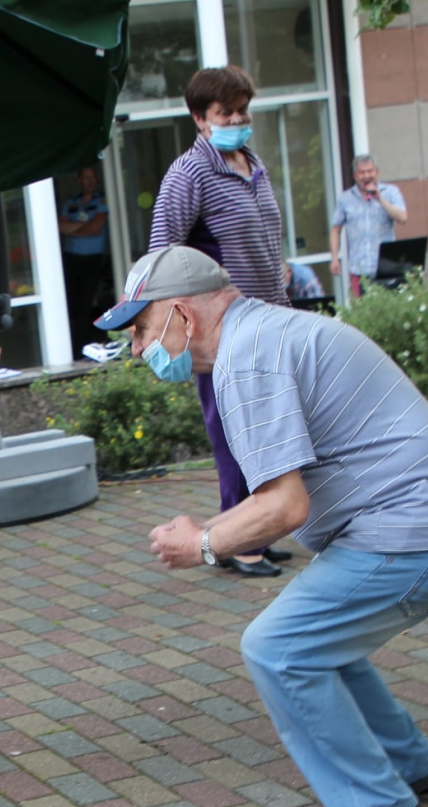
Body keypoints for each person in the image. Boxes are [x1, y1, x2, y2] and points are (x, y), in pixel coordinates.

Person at [99, 246, 428, 807]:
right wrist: (211, 529)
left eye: (141, 329)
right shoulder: (263, 334)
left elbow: (285, 508)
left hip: (422, 530)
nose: (136, 349)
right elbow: (279, 500)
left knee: (278, 648)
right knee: (318, 640)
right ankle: (415, 770)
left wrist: (201, 545)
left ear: (181, 313)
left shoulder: (246, 361)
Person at [148, 66, 290, 580]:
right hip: (221, 327)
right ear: (199, 117)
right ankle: (235, 544)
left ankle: (258, 533)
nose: (235, 120)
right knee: (233, 432)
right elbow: (162, 252)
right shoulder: (189, 173)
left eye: (241, 110)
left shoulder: (253, 164)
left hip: (268, 317)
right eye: (224, 112)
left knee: (269, 432)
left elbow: (264, 239)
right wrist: (173, 323)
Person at [329, 155, 408, 297]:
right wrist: (334, 257)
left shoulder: (390, 192)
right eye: (362, 172)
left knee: (388, 307)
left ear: (376, 172)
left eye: (370, 171)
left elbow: (402, 218)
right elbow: (335, 229)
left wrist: (380, 199)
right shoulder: (345, 199)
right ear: (355, 175)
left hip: (385, 269)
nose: (366, 176)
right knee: (362, 309)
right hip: (359, 270)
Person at [59, 166, 110, 360]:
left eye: (93, 177)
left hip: (92, 260)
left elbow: (96, 227)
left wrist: (74, 229)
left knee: (85, 303)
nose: (90, 181)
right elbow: (61, 226)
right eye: (86, 177)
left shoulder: (102, 201)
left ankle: (83, 347)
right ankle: (73, 347)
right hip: (71, 258)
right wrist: (85, 226)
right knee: (71, 304)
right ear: (79, 180)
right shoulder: (71, 203)